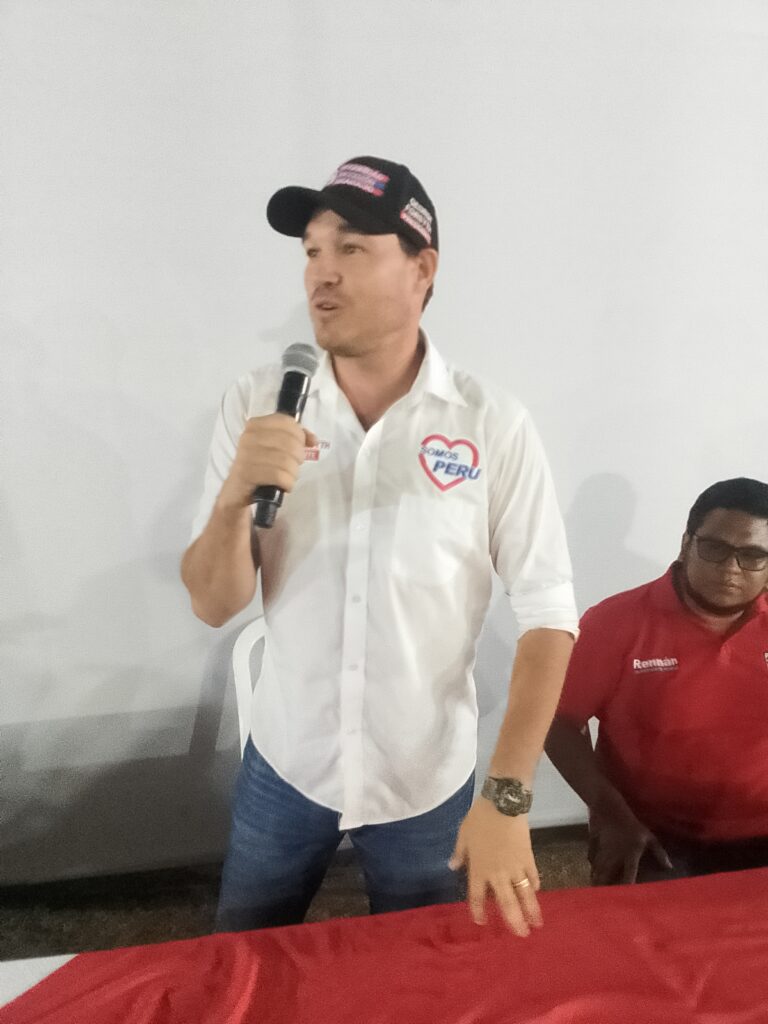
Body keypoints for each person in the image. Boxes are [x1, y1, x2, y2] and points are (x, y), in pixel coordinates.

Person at [181, 156, 577, 936]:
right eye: (311, 252)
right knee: (245, 961)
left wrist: (507, 796)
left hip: (423, 781)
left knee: (424, 974)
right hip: (288, 765)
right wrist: (234, 500)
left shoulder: (490, 423)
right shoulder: (258, 405)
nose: (321, 274)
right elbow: (213, 603)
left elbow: (548, 613)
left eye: (351, 248)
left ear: (422, 269)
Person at [545, 477, 768, 885]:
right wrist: (610, 814)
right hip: (649, 832)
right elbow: (559, 722)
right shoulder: (614, 622)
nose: (730, 568)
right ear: (686, 544)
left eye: (753, 556)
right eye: (715, 548)